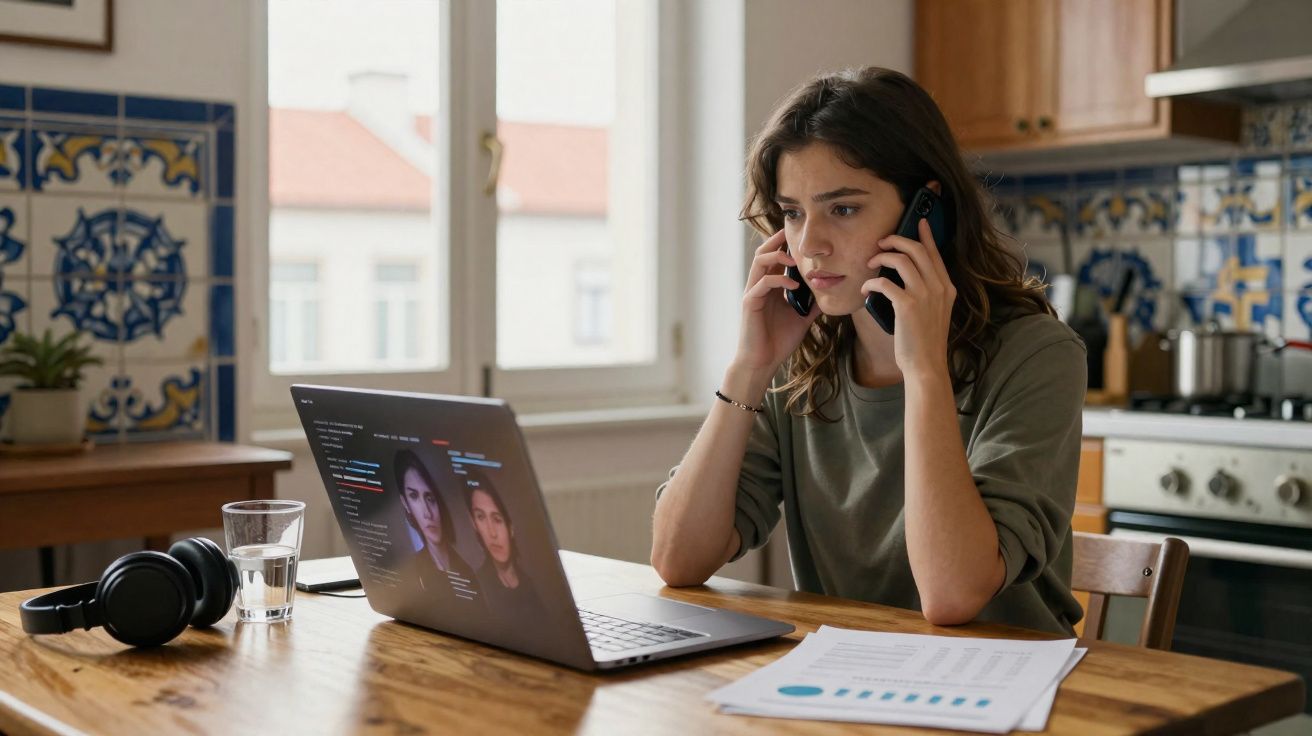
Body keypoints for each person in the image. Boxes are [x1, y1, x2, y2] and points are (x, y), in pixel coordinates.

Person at [651, 67, 1086, 635]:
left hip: (1005, 693)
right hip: (845, 684)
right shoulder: (800, 364)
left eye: (844, 208)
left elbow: (951, 596)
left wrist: (924, 371)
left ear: (924, 211)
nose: (810, 245)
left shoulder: (1037, 355)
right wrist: (749, 366)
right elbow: (677, 560)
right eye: (792, 212)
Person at [393, 449, 481, 609]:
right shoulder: (410, 573)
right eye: (414, 496)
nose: (426, 513)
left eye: (430, 498)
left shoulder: (468, 574)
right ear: (405, 503)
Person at [462, 469, 546, 619]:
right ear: (474, 524)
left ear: (511, 528)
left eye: (497, 519)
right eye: (481, 517)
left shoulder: (531, 585)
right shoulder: (478, 585)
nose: (492, 533)